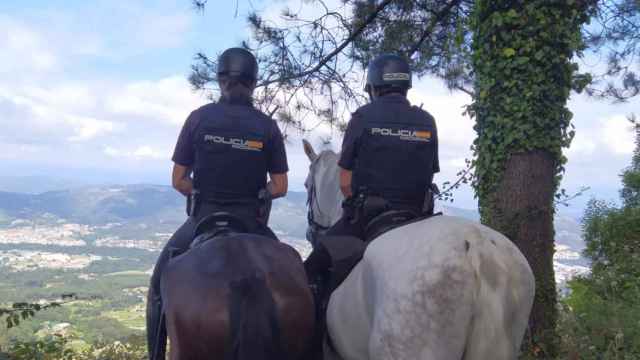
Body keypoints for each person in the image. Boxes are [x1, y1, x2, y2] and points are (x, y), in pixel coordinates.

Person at [146, 47, 289, 360]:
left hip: (203, 219)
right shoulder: (266, 126)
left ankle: (154, 355)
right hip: (251, 223)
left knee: (159, 287)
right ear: (254, 82)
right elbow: (280, 186)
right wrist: (259, 193)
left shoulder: (199, 119)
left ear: (220, 80)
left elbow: (178, 179)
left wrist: (200, 191)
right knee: (293, 274)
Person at [304, 52, 440, 295]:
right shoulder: (427, 121)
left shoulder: (363, 117)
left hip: (368, 218)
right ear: (406, 85)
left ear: (373, 86)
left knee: (312, 269)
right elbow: (429, 175)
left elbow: (344, 182)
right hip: (417, 217)